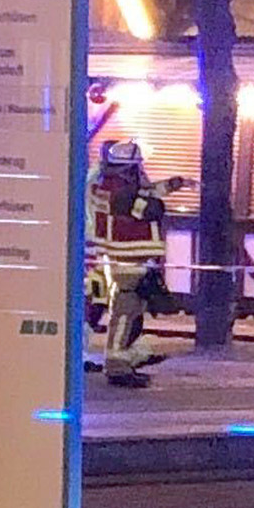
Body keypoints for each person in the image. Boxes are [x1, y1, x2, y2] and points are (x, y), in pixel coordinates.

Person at [87, 138, 173, 390]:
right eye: (138, 167)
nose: (142, 171)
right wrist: (158, 201)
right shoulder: (121, 192)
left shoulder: (106, 185)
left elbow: (148, 193)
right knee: (125, 313)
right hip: (128, 259)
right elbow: (148, 208)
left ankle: (127, 359)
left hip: (123, 258)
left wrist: (174, 184)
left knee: (131, 313)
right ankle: (117, 366)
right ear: (129, 168)